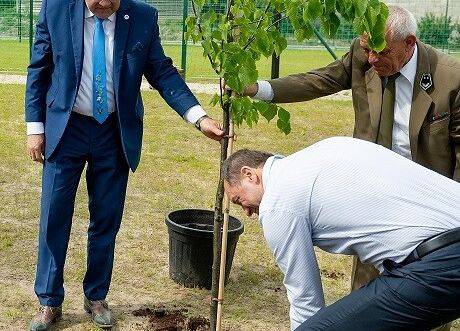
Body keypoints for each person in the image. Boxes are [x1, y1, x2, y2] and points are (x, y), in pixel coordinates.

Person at [242, 6, 460, 324]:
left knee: (426, 308)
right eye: (366, 48)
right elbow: (318, 80)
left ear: (409, 43)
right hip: (370, 200)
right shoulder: (363, 57)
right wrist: (258, 89)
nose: (370, 59)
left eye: (379, 51)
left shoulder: (450, 79)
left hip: (424, 208)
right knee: (367, 298)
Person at [24, 0, 224, 329]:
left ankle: (96, 296)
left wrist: (198, 117)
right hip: (67, 129)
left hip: (113, 132)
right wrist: (35, 128)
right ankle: (49, 301)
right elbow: (39, 69)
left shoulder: (142, 16)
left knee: (106, 220)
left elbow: (162, 72)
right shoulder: (56, 9)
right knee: (54, 216)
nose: (104, 4)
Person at [222, 137, 460, 330]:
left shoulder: (278, 202)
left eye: (238, 199)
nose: (246, 211)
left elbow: (305, 298)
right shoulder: (326, 149)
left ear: (250, 175)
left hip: (439, 264)